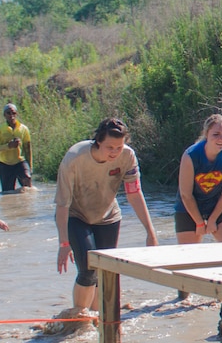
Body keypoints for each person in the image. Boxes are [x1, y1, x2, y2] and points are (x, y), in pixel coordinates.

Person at [54, 117, 159, 315]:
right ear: (98, 141)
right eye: (109, 147)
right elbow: (62, 204)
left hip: (108, 217)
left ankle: (98, 321)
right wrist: (63, 243)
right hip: (76, 216)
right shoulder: (74, 157)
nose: (114, 152)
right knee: (87, 269)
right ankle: (78, 320)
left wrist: (150, 232)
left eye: (119, 147)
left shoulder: (128, 156)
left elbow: (134, 193)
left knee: (105, 272)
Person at [174, 113, 222, 316]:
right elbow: (186, 194)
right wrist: (199, 222)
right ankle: (182, 301)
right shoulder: (191, 155)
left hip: (218, 205)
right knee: (188, 262)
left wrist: (212, 219)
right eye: (216, 134)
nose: (221, 139)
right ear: (206, 135)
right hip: (188, 207)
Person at [0, 104, 35, 193]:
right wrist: (8, 146)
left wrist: (30, 167)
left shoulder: (23, 129)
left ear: (16, 114)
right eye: (8, 113)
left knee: (27, 181)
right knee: (7, 193)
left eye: (13, 113)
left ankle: (28, 205)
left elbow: (28, 148)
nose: (11, 115)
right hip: (5, 164)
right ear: (4, 115)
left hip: (20, 161)